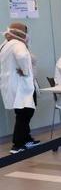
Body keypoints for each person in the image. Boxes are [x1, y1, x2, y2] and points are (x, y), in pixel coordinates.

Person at [0, 22, 39, 154]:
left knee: (24, 113)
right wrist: (26, 71)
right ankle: (18, 144)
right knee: (24, 114)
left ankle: (26, 138)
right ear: (21, 33)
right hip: (21, 86)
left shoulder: (5, 44)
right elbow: (22, 56)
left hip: (13, 85)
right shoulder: (18, 44)